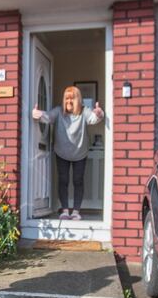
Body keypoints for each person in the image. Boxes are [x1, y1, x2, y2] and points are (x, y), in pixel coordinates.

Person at [32, 86, 104, 220]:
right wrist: (38, 114)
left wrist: (99, 113)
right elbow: (47, 117)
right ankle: (65, 210)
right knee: (63, 180)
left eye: (72, 98)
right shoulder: (59, 111)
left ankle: (76, 211)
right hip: (61, 152)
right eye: (67, 98)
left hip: (80, 153)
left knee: (78, 181)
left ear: (78, 100)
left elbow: (94, 118)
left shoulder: (84, 111)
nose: (69, 101)